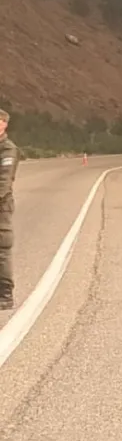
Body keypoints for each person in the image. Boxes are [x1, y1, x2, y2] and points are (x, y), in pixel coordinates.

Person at [0, 108, 19, 310]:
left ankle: (5, 294)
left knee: (2, 250)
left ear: (4, 124)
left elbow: (3, 182)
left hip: (1, 207)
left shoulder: (7, 150)